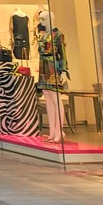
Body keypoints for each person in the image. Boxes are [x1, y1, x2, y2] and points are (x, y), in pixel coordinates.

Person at [36, 11, 68, 143]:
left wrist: (64, 70)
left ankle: (59, 131)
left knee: (56, 99)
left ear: (50, 19)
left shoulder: (58, 35)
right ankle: (52, 131)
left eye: (43, 19)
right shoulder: (43, 35)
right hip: (43, 66)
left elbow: (63, 54)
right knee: (48, 99)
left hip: (53, 67)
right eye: (40, 19)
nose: (41, 22)